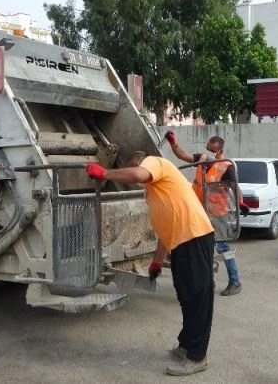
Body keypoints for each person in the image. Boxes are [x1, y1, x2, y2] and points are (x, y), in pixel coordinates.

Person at [85, 152, 214, 376]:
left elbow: (137, 174)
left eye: (134, 168)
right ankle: (187, 344)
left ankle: (198, 357)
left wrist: (105, 173)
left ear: (138, 162)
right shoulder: (156, 191)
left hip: (195, 235)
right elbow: (165, 226)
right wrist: (156, 261)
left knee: (198, 297)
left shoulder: (155, 162)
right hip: (180, 242)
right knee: (186, 296)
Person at [164, 131, 243, 296]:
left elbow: (236, 187)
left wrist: (241, 202)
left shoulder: (226, 166)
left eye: (212, 150)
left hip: (218, 213)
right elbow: (182, 155)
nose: (209, 152)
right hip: (199, 211)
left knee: (223, 247)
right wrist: (173, 143)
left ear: (220, 150)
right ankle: (209, 283)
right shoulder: (202, 159)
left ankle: (235, 282)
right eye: (208, 148)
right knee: (203, 249)